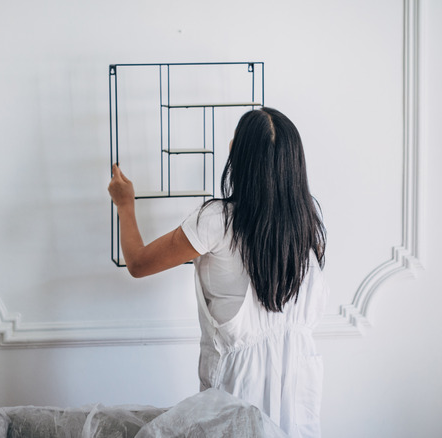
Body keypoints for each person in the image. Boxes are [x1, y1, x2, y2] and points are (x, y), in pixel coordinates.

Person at [108, 107, 328, 438]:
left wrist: (125, 205)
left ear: (239, 156)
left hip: (239, 391)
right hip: (298, 390)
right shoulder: (307, 222)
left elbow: (138, 263)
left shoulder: (218, 221)